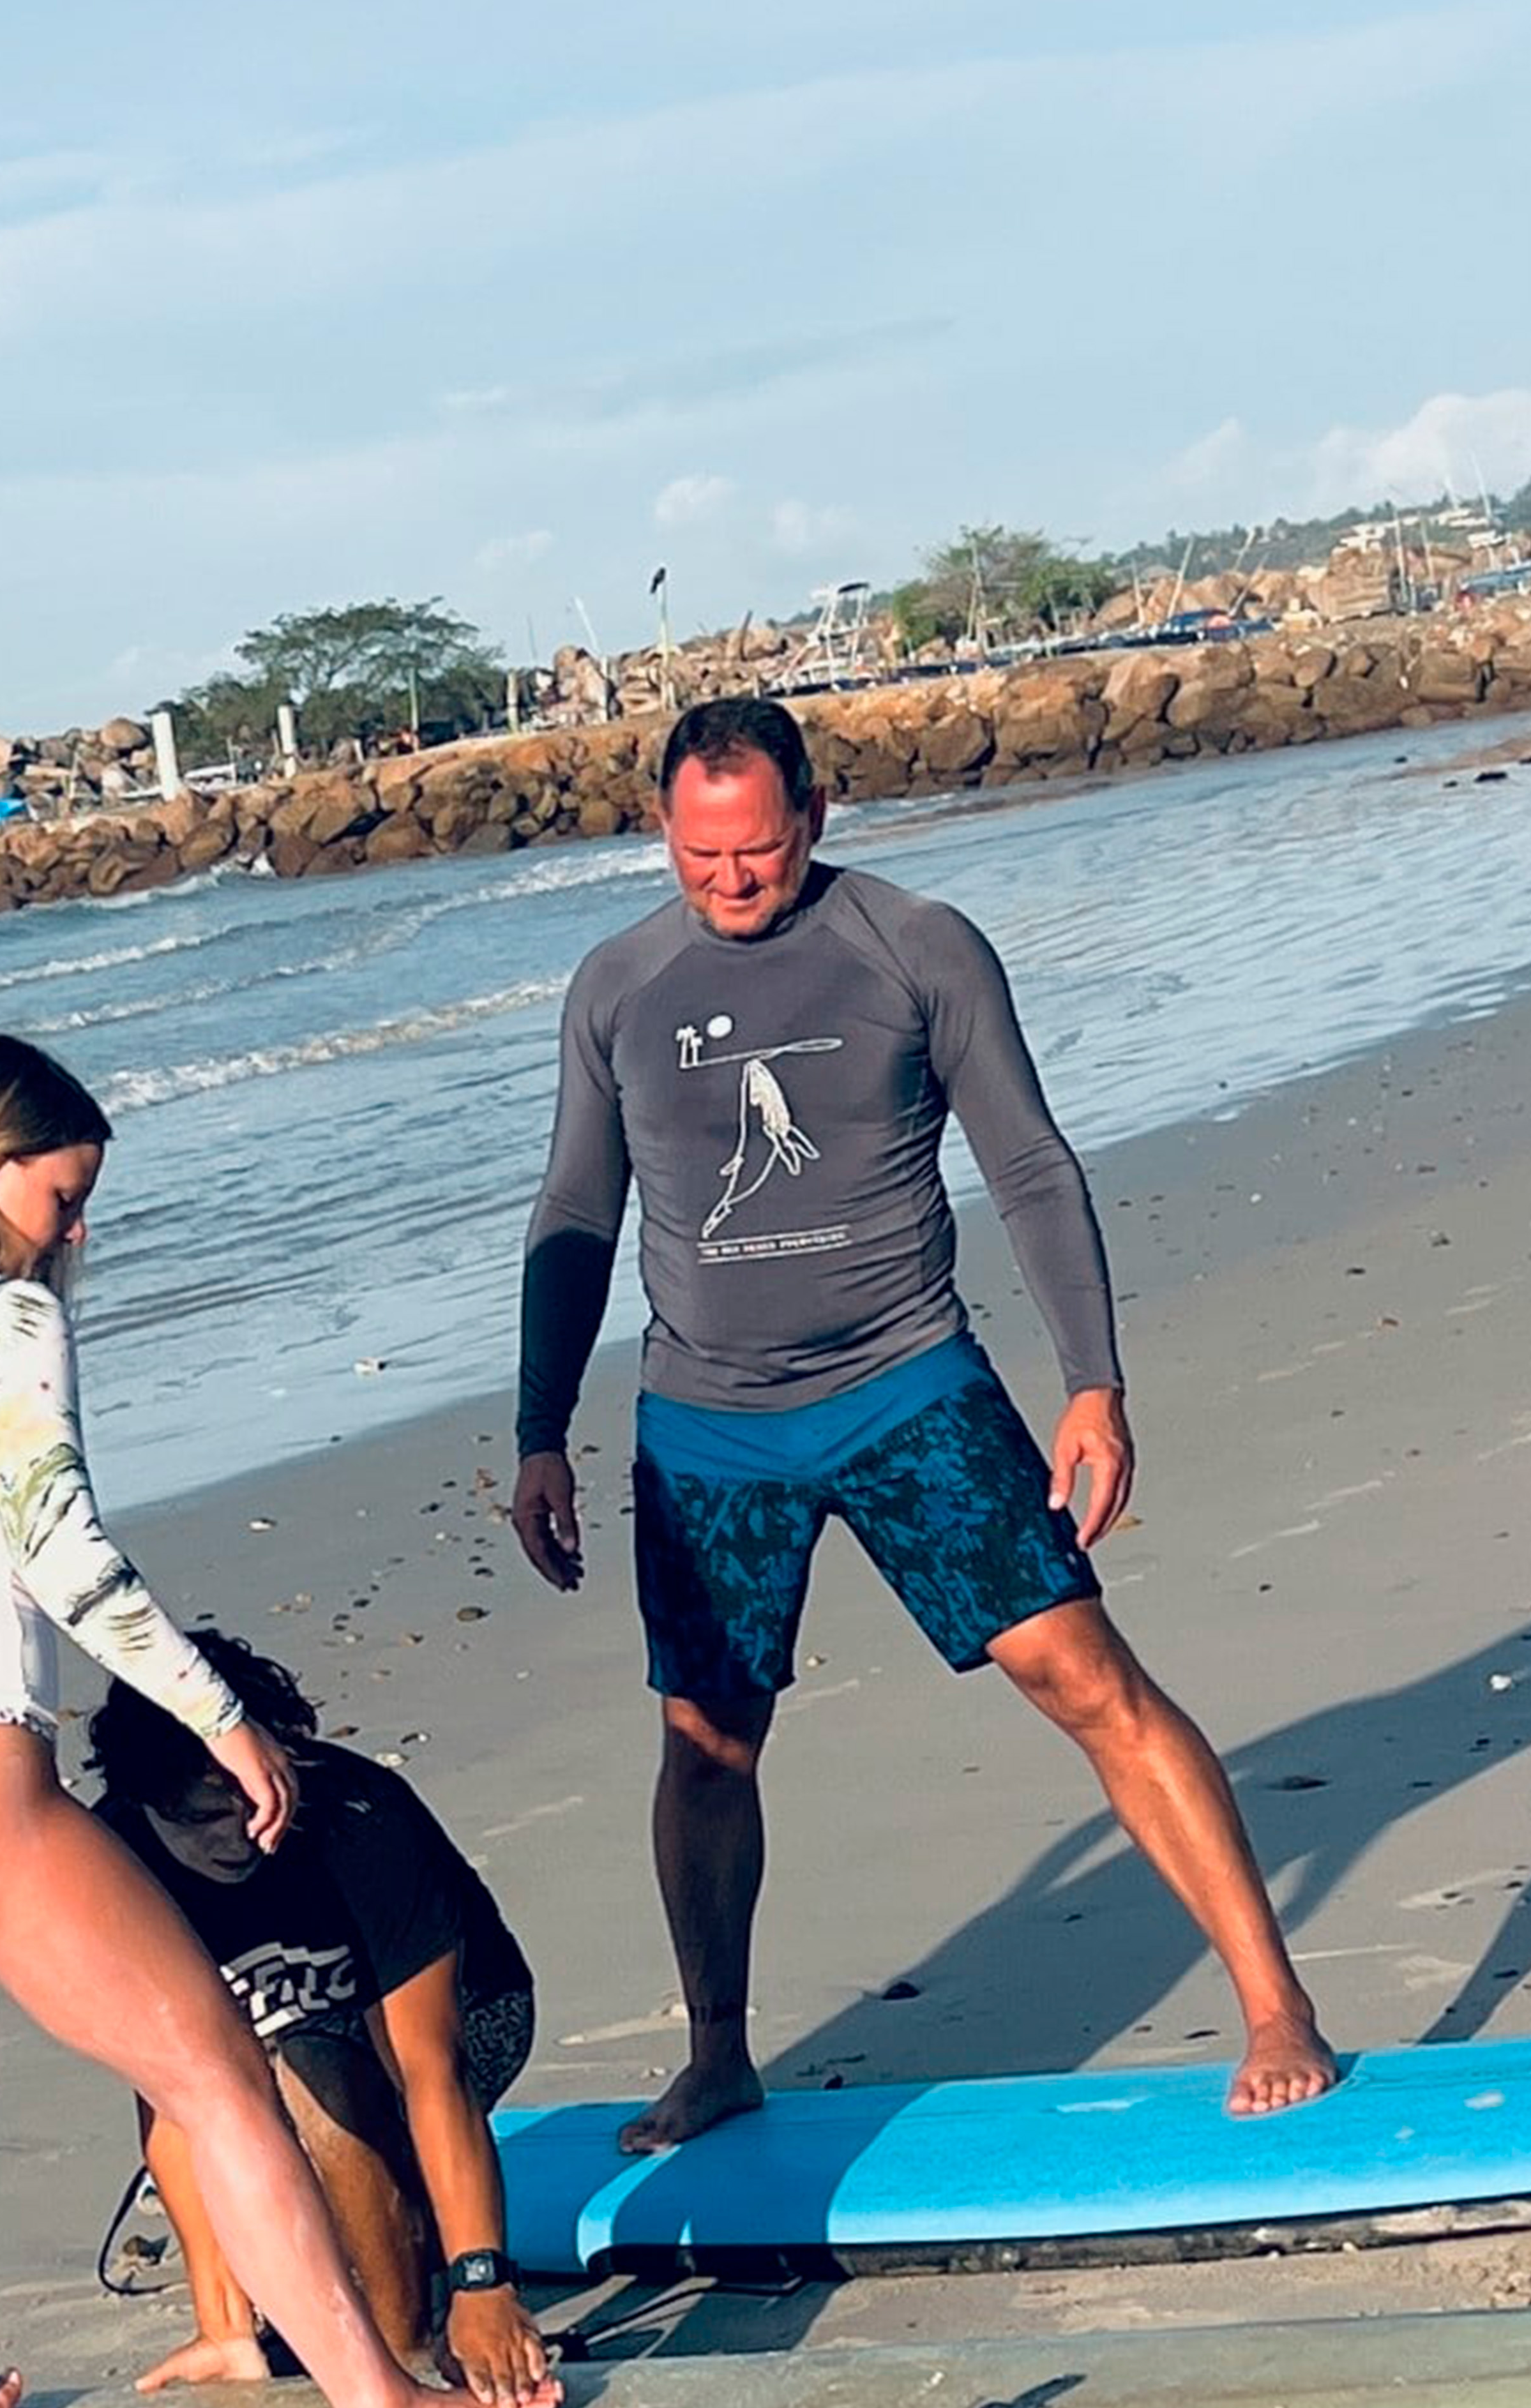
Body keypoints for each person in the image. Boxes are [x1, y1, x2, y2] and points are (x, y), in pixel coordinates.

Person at [0, 1032, 559, 2408]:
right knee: (219, 2077)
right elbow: (60, 1551)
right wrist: (218, 1716)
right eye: (63, 1196)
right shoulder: (4, 1320)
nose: (75, 1230)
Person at [510, 694, 1332, 2149]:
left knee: (1080, 1676)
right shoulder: (611, 987)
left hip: (905, 1383)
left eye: (755, 849)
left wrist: (1091, 1379)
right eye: (700, 857)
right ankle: (716, 2053)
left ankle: (1274, 2002)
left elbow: (1022, 1159)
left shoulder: (912, 943)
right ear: (662, 832)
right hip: (704, 1424)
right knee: (702, 1738)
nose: (729, 880)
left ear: (811, 815)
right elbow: (576, 1214)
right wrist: (535, 1432)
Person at [91, 1632, 552, 2408]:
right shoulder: (114, 1858)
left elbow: (432, 2070)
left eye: (250, 1795)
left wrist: (482, 2282)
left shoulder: (359, 1819)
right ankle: (378, 2253)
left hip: (471, 2020)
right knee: (244, 2088)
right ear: (146, 1805)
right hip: (264, 2046)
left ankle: (403, 2357)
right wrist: (222, 2322)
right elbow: (167, 2095)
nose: (237, 1831)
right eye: (202, 1815)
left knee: (319, 2075)